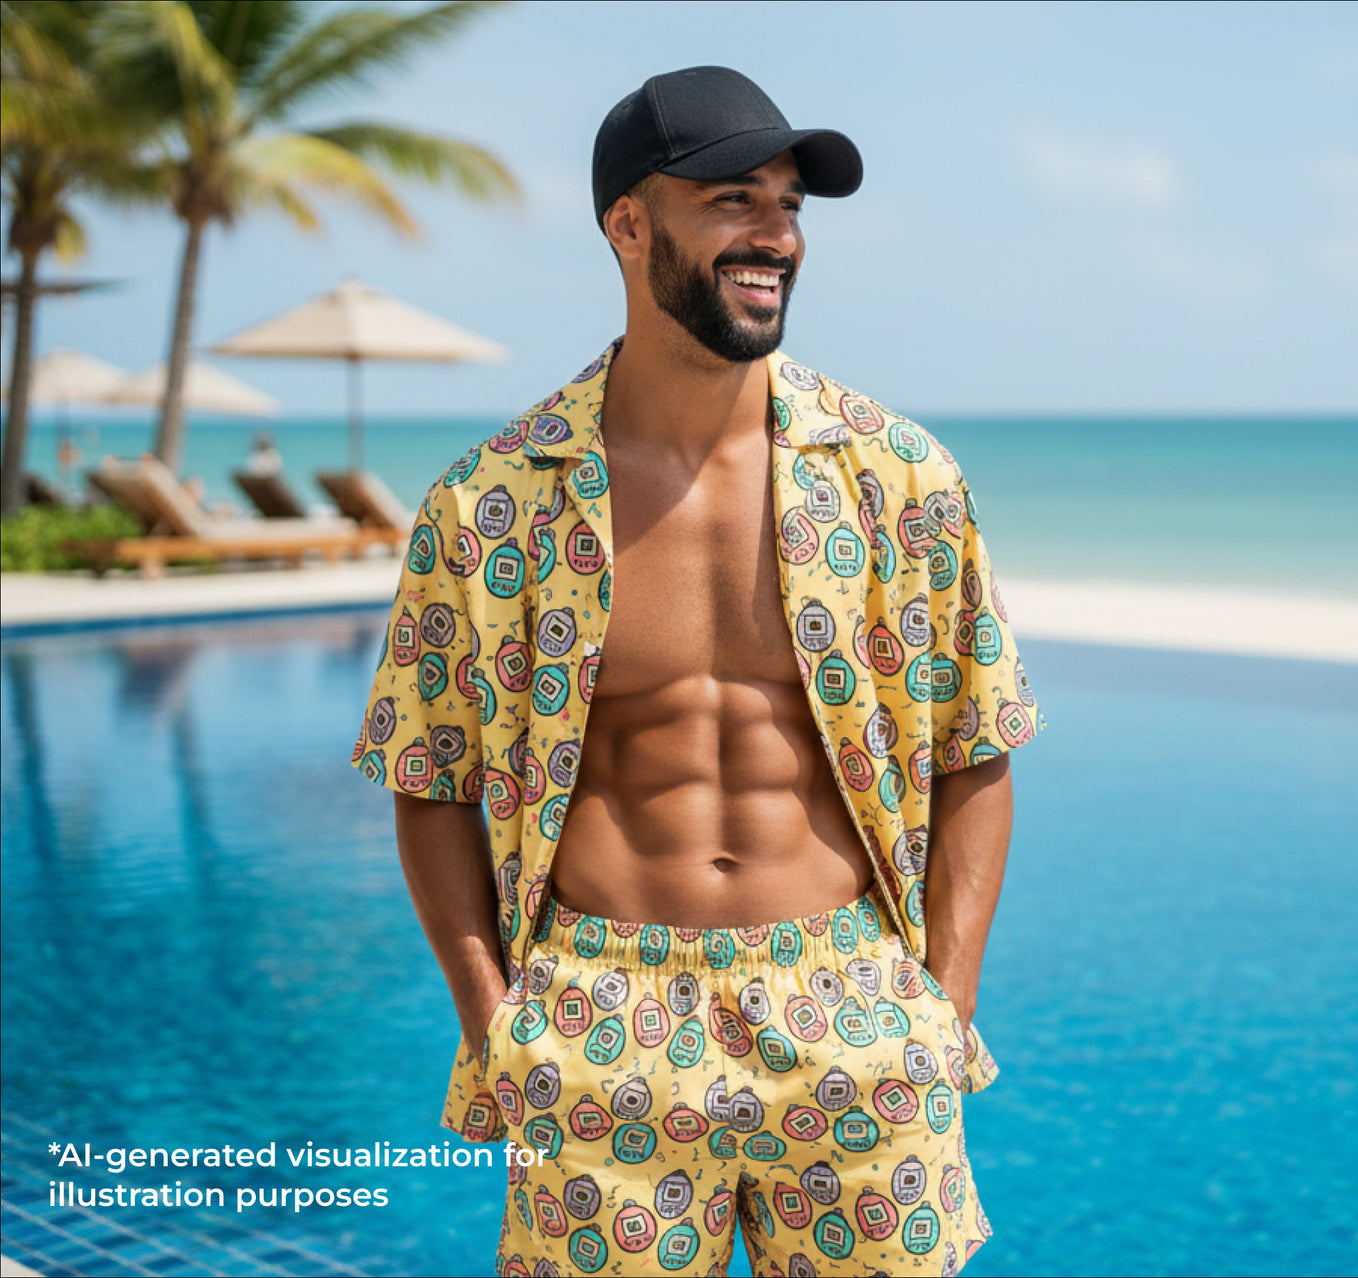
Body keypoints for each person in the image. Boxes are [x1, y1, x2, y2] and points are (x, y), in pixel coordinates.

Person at [351, 65, 1043, 1276]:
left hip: (848, 1004)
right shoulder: (492, 504)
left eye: (789, 203)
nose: (775, 232)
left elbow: (974, 745)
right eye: (733, 198)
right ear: (628, 223)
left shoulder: (896, 479)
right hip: (595, 1011)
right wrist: (490, 1017)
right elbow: (429, 773)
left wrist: (943, 1003)